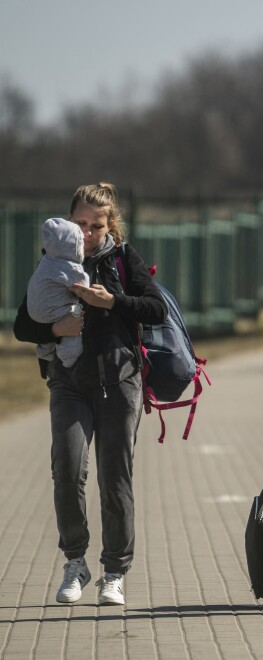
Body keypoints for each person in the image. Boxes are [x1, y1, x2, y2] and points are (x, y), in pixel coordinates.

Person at [14, 182, 167, 606]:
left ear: (109, 225)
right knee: (67, 467)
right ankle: (76, 561)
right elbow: (22, 325)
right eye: (79, 224)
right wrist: (54, 331)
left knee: (114, 478)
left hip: (119, 381)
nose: (85, 234)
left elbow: (157, 308)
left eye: (95, 226)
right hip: (68, 381)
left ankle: (114, 571)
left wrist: (112, 301)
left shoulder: (122, 258)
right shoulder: (54, 261)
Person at [26, 217, 91, 367]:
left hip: (34, 312)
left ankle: (45, 350)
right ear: (72, 245)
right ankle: (69, 356)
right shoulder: (69, 266)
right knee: (74, 313)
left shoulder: (47, 260)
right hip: (51, 311)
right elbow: (83, 286)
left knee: (55, 317)